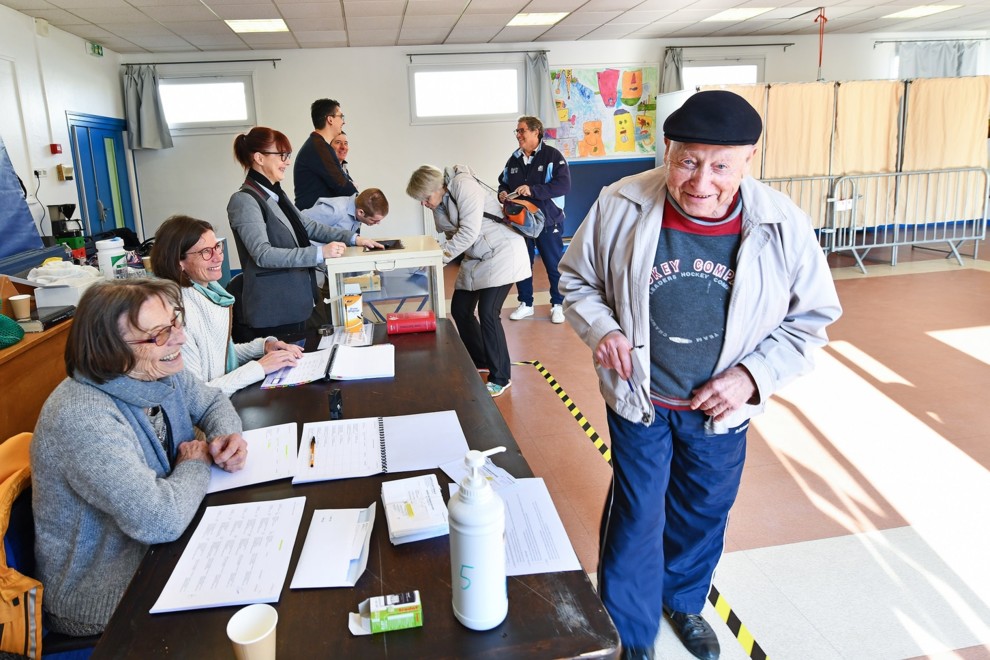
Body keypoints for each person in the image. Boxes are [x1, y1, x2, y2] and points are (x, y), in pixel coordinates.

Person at [558, 90, 842, 660]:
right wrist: (604, 331)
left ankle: (683, 601)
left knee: (703, 510)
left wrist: (751, 377)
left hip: (722, 409)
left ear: (749, 158)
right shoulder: (621, 203)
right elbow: (576, 282)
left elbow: (811, 320)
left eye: (720, 166)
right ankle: (631, 631)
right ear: (668, 149)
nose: (701, 181)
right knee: (638, 512)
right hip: (641, 398)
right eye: (687, 160)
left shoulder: (781, 223)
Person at [30, 278, 247, 635]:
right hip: (106, 590)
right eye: (160, 334)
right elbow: (159, 520)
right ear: (110, 350)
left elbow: (210, 401)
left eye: (175, 323)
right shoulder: (81, 415)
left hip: (159, 548)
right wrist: (195, 463)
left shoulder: (160, 371)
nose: (179, 338)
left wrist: (226, 434)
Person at [227, 126, 382, 341]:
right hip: (276, 307)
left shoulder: (275, 194)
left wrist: (354, 238)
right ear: (259, 158)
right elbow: (262, 254)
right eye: (282, 155)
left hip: (298, 299)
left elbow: (308, 226)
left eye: (287, 155)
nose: (287, 162)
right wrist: (318, 254)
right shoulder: (244, 200)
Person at [407, 164, 530, 398]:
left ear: (436, 187)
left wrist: (439, 258)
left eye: (425, 198)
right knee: (460, 309)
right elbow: (448, 232)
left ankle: (500, 377)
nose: (423, 203)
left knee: (488, 312)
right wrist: (436, 207)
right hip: (477, 256)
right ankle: (481, 359)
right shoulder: (441, 200)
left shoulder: (464, 186)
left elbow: (468, 232)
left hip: (502, 252)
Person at [151, 215, 304, 396]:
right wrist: (259, 368)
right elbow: (196, 396)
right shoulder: (177, 313)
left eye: (217, 247)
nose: (218, 258)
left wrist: (263, 346)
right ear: (179, 261)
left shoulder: (207, 292)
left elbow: (217, 356)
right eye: (205, 252)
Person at [497, 115, 571, 324]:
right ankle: (526, 304)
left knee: (553, 264)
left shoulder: (553, 156)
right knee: (522, 264)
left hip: (548, 221)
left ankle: (558, 304)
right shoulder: (514, 159)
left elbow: (563, 186)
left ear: (536, 132)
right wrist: (502, 193)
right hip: (522, 222)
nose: (518, 135)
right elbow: (503, 182)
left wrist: (533, 190)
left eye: (522, 131)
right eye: (517, 132)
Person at [293, 99, 357, 211]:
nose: (343, 122)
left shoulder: (319, 145)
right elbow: (343, 186)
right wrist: (353, 188)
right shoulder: (319, 148)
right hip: (313, 221)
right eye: (341, 116)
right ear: (330, 119)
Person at [302, 188, 389, 234]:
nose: (378, 223)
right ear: (361, 212)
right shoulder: (335, 210)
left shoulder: (357, 210)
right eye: (374, 220)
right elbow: (299, 223)